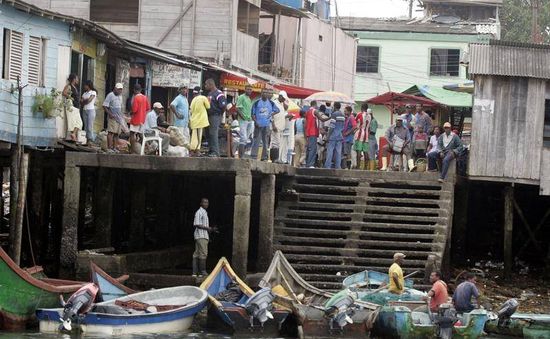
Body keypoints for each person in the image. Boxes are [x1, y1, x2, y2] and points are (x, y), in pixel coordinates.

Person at [251, 89, 279, 161]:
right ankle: (254, 157)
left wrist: (271, 114)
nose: (265, 94)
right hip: (258, 125)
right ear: (261, 93)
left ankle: (264, 157)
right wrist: (256, 122)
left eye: (266, 92)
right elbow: (252, 114)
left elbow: (277, 110)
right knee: (256, 141)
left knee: (265, 142)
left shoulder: (271, 103)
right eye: (264, 92)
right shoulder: (256, 102)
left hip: (266, 125)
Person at [192, 198, 218, 277]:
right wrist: (208, 228)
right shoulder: (199, 212)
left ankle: (196, 273)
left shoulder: (204, 213)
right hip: (201, 235)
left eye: (207, 202)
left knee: (197, 254)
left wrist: (211, 230)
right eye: (204, 202)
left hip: (203, 235)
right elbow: (196, 224)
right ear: (201, 203)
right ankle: (202, 271)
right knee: (203, 253)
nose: (206, 204)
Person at [205, 79, 227, 157]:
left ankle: (216, 152)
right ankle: (211, 150)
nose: (205, 86)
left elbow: (224, 106)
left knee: (213, 133)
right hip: (209, 116)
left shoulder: (219, 93)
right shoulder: (210, 93)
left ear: (211, 84)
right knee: (208, 134)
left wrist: (220, 115)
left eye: (206, 84)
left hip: (215, 115)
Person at [305, 101, 330, 168]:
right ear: (315, 105)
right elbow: (322, 119)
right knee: (313, 149)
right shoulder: (315, 111)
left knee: (309, 148)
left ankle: (307, 163)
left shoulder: (307, 112)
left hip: (308, 132)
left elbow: (306, 123)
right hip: (313, 132)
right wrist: (330, 117)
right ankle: (311, 164)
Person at [103, 83, 125, 153]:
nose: (120, 91)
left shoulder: (120, 96)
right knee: (111, 132)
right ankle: (109, 147)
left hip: (119, 117)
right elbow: (104, 106)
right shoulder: (110, 95)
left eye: (121, 90)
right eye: (118, 89)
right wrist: (110, 114)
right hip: (112, 117)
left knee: (117, 133)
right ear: (115, 88)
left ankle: (114, 147)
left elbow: (120, 107)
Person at [189, 86, 210, 156]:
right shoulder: (203, 98)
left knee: (194, 136)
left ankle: (192, 150)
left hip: (194, 120)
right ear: (200, 92)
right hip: (200, 120)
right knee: (198, 136)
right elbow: (208, 106)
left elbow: (191, 110)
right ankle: (196, 150)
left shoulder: (193, 100)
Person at [324, 102, 345, 169]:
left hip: (333, 136)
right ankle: (338, 166)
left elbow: (332, 126)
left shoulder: (334, 114)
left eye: (333, 107)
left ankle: (327, 166)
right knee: (338, 153)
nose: (332, 108)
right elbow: (342, 127)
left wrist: (328, 136)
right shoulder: (343, 115)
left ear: (335, 107)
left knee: (330, 151)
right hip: (339, 136)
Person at [129, 84, 150, 153]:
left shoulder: (136, 98)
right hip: (142, 120)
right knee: (140, 134)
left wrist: (131, 112)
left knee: (132, 133)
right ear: (141, 90)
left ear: (134, 90)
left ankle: (132, 149)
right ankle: (145, 148)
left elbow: (134, 109)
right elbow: (148, 108)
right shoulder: (145, 97)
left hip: (136, 119)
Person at [236, 85, 254, 158]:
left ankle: (242, 155)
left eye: (250, 90)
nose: (249, 91)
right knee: (243, 138)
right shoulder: (241, 97)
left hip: (249, 120)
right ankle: (241, 156)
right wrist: (243, 117)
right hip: (243, 120)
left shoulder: (249, 99)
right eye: (248, 89)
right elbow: (238, 108)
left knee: (246, 138)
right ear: (245, 89)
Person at [271, 91, 288, 163]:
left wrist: (284, 102)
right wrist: (273, 125)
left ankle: (276, 158)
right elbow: (271, 114)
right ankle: (274, 159)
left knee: (278, 143)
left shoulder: (281, 103)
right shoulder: (274, 103)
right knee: (275, 143)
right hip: (276, 126)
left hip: (281, 126)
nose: (284, 100)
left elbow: (286, 108)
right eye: (283, 98)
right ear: (280, 96)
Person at [354, 102, 371, 169]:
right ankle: (365, 168)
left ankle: (358, 167)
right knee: (365, 152)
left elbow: (355, 123)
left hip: (359, 134)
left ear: (361, 108)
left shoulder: (359, 114)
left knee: (358, 151)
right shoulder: (369, 116)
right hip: (366, 135)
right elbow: (369, 127)